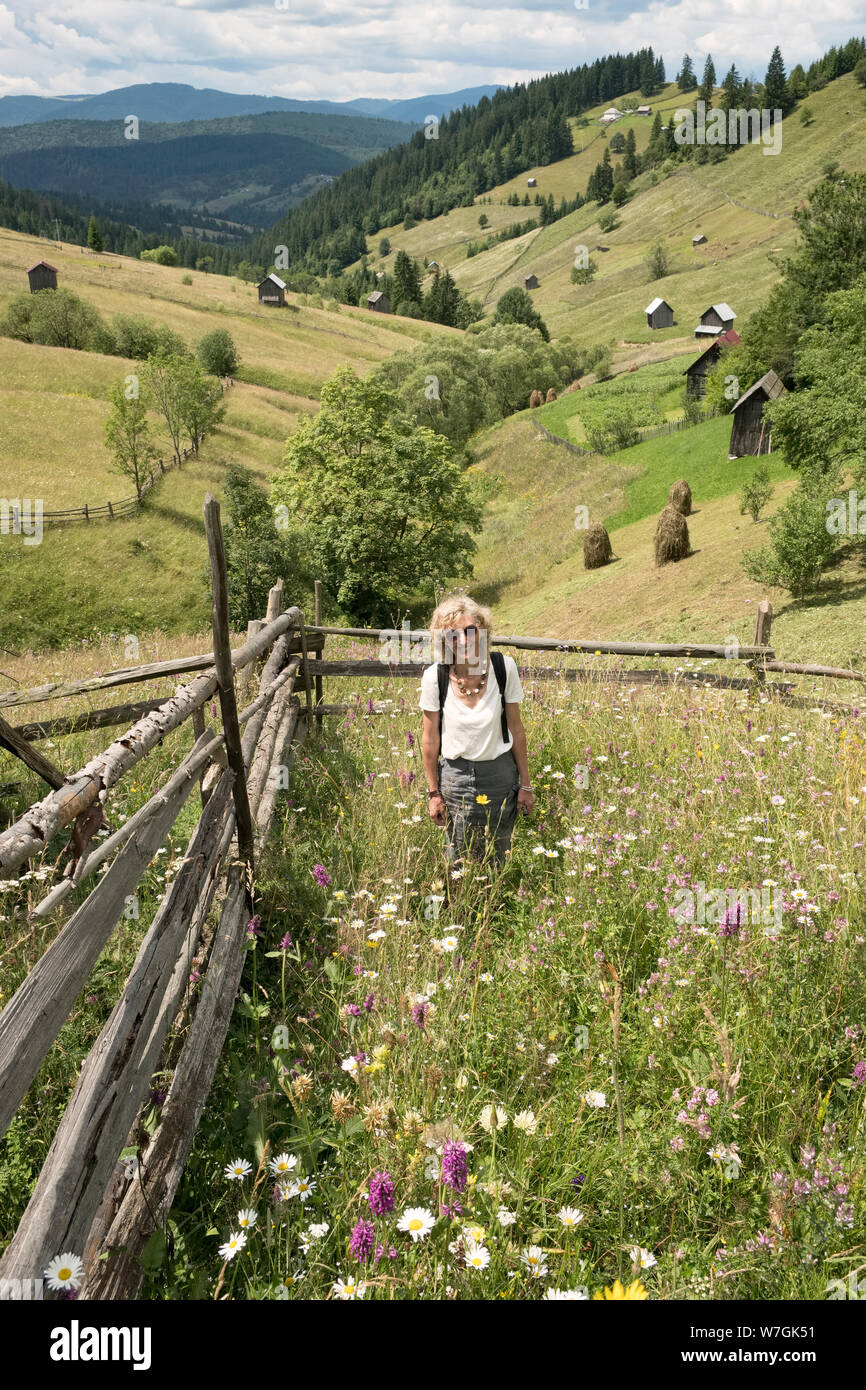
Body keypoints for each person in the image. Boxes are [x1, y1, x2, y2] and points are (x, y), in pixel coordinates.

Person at [419, 595, 533, 868]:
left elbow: (516, 729)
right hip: (454, 781)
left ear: (482, 631)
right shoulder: (435, 677)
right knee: (458, 859)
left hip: (500, 778)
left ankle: (496, 906)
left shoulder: (503, 668)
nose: (463, 639)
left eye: (470, 630)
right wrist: (434, 793)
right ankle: (462, 907)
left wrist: (526, 785)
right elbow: (430, 739)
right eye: (452, 635)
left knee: (499, 855)